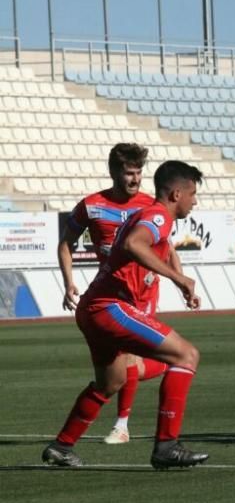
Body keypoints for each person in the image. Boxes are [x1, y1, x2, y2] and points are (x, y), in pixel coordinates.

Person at [43, 160, 209, 469]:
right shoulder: (157, 215)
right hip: (109, 307)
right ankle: (167, 446)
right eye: (192, 193)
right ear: (176, 194)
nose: (195, 201)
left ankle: (61, 446)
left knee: (111, 381)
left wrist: (178, 278)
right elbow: (135, 243)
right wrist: (178, 278)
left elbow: (139, 245)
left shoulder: (147, 214)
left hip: (93, 309)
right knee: (187, 356)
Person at [57, 143, 182, 445]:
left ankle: (122, 424)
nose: (135, 179)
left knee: (127, 360)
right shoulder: (91, 205)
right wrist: (68, 281)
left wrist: (180, 281)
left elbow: (168, 248)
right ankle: (169, 363)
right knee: (121, 370)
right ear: (114, 172)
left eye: (139, 172)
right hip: (111, 290)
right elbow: (66, 243)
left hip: (142, 291)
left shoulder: (150, 205)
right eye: (129, 173)